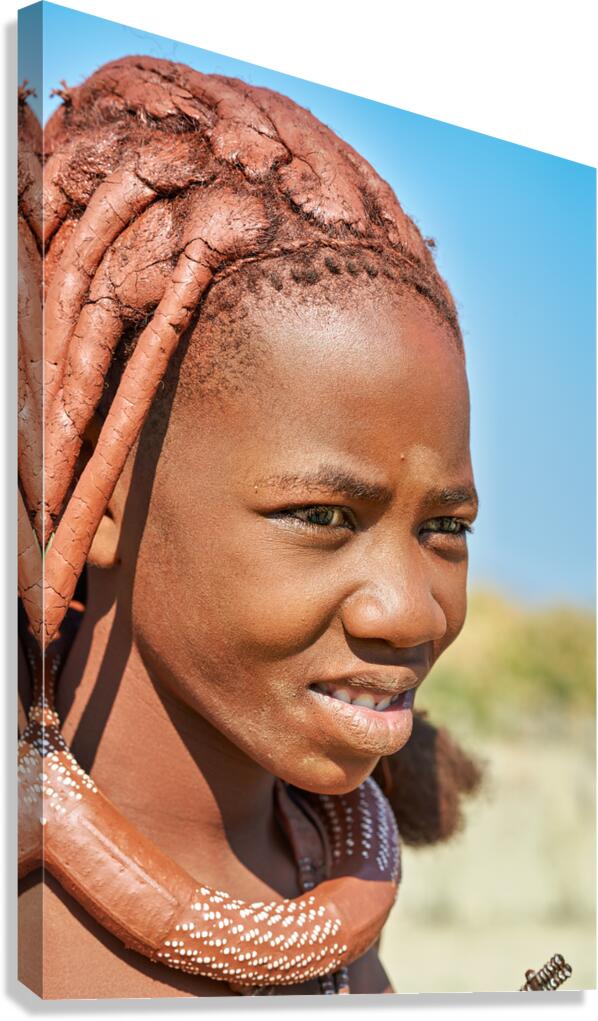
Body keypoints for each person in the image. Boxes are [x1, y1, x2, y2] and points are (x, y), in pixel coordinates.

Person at [18, 55, 483, 999]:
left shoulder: (325, 875)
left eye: (445, 528)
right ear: (99, 497)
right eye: (319, 515)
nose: (410, 612)